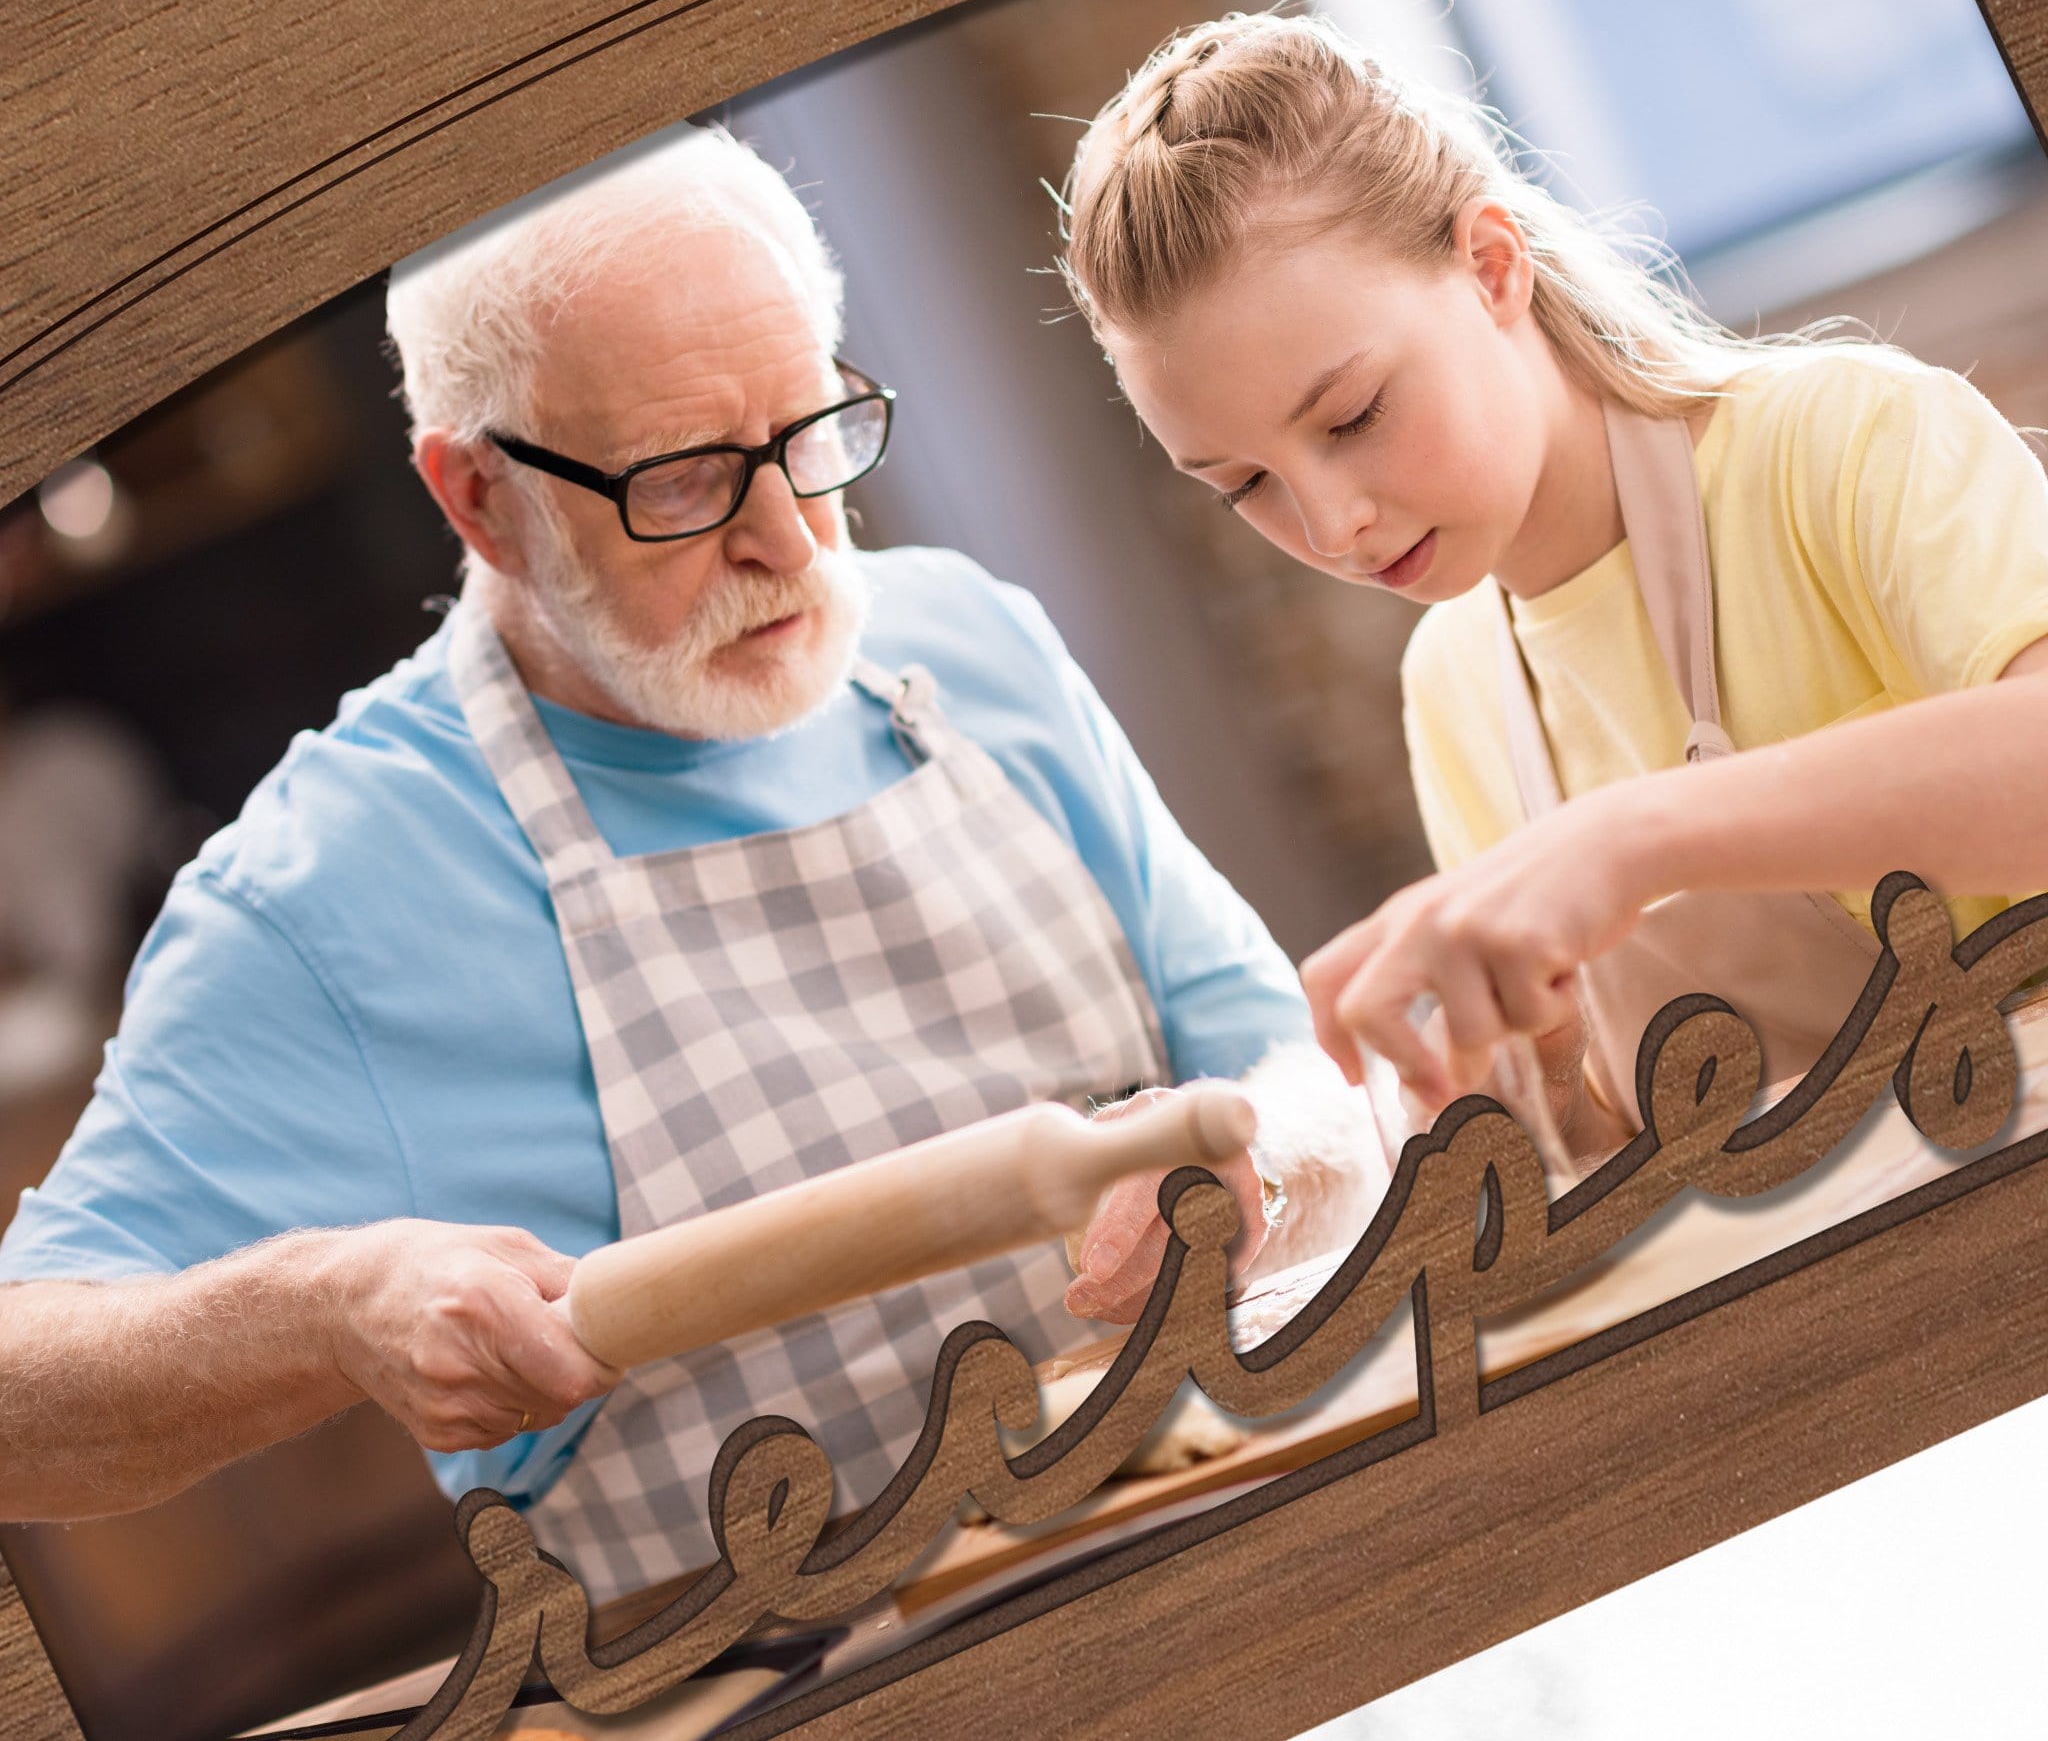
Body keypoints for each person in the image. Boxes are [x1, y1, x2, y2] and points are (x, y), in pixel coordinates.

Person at [0, 122, 1386, 1604]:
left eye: (814, 433)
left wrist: (1271, 1165)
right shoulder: (326, 892)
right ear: (478, 498)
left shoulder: (967, 644)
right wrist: (333, 1307)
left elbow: (1288, 1065)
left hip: (1257, 1572)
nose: (790, 540)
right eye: (685, 482)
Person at [1057, 10, 2048, 1167]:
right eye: (1242, 485)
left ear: (1489, 268)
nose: (1330, 524)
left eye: (1352, 415)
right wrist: (1489, 1113)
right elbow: (1619, 1133)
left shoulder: (1841, 440)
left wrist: (1632, 838)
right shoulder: (1455, 683)